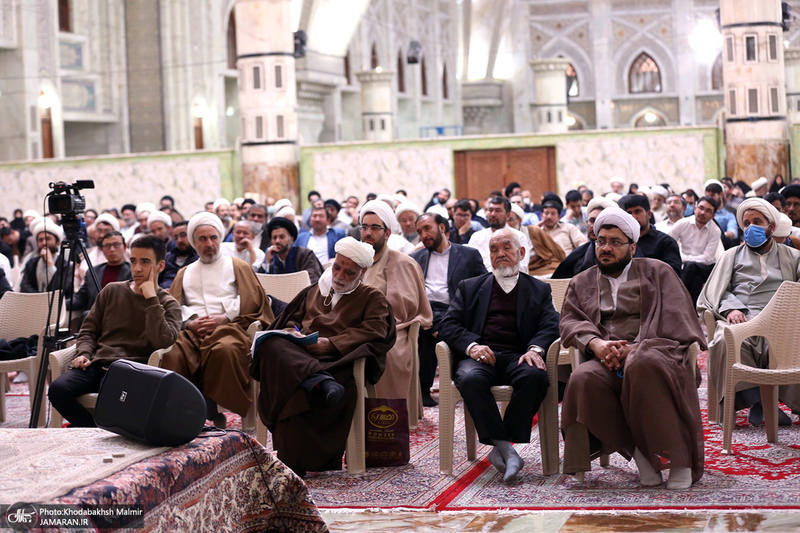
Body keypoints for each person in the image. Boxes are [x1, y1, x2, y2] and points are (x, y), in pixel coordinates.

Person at [560, 207, 706, 489]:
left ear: (632, 247)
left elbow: (680, 324)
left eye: (616, 242)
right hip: (605, 360)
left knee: (642, 364)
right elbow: (569, 321)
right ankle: (642, 458)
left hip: (657, 353)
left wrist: (637, 348)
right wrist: (597, 344)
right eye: (601, 241)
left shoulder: (658, 272)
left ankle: (678, 461)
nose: (606, 248)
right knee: (582, 378)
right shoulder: (582, 281)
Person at [250, 237, 396, 475]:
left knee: (293, 384)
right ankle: (317, 380)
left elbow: (375, 330)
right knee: (271, 344)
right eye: (337, 267)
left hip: (336, 361)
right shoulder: (316, 288)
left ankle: (315, 382)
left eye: (349, 273)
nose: (339, 276)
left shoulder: (372, 297)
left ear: (363, 272)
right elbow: (291, 320)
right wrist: (293, 333)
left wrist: (331, 344)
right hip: (300, 355)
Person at [438, 228, 559, 482]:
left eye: (506, 247)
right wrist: (472, 347)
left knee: (536, 378)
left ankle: (500, 447)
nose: (500, 254)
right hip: (480, 357)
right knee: (469, 378)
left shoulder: (539, 289)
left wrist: (534, 349)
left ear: (521, 252)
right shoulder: (470, 287)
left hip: (519, 356)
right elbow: (448, 325)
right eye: (494, 249)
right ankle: (507, 449)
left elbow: (551, 324)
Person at [48, 235, 182, 427]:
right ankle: (93, 430)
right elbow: (88, 330)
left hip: (131, 370)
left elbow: (162, 341)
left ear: (160, 266)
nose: (137, 268)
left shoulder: (169, 304)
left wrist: (152, 300)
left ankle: (100, 432)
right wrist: (84, 354)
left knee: (111, 399)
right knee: (57, 389)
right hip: (96, 364)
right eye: (133, 260)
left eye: (145, 262)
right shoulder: (112, 290)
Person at [161, 212, 273, 427]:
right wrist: (190, 322)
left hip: (229, 328)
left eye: (213, 238)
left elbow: (252, 299)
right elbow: (172, 307)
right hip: (192, 333)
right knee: (173, 353)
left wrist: (225, 317)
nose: (209, 244)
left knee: (226, 350)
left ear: (220, 239)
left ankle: (221, 408)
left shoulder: (237, 265)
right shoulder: (185, 272)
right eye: (202, 239)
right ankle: (185, 415)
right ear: (194, 243)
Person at [697, 198, 800, 426]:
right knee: (725, 339)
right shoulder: (731, 255)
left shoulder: (792, 256)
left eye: (757, 221)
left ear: (770, 227)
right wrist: (732, 307)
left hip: (782, 319)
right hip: (740, 316)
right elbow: (713, 291)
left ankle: (767, 404)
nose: (750, 227)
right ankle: (759, 402)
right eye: (746, 223)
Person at [410, 213, 487, 406]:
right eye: (419, 231)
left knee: (433, 328)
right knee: (425, 328)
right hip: (426, 311)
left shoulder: (469, 255)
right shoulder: (415, 258)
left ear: (442, 228)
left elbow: (485, 287)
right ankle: (423, 388)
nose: (423, 235)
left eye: (427, 228)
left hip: (456, 311)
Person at [359, 200, 433, 400]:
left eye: (375, 228)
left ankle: (386, 419)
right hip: (352, 327)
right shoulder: (354, 261)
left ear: (388, 233)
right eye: (364, 227)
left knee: (386, 353)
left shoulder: (402, 263)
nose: (368, 233)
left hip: (390, 330)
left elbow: (403, 309)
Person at [67, 231, 132, 326]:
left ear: (125, 248)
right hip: (94, 319)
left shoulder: (132, 272)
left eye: (116, 245)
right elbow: (80, 299)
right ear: (102, 249)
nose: (112, 249)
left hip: (121, 319)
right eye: (107, 246)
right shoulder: (93, 271)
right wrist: (59, 303)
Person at [668, 196, 722, 304]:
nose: (702, 212)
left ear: (713, 215)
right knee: (696, 280)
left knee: (691, 266)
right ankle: (693, 310)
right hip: (686, 268)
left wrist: (683, 259)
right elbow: (668, 244)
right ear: (695, 208)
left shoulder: (715, 230)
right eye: (701, 208)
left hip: (706, 268)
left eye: (708, 211)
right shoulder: (682, 224)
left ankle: (678, 300)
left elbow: (707, 258)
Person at [618, 194, 682, 277]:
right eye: (629, 213)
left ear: (649, 214)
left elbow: (672, 274)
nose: (633, 216)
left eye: (637, 211)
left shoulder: (665, 242)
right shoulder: (619, 242)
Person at [468, 196, 534, 274]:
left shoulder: (519, 236)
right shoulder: (477, 237)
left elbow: (522, 268)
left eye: (498, 211)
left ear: (508, 215)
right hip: (483, 283)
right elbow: (470, 265)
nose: (493, 214)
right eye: (490, 210)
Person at [507, 203, 565, 277]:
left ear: (520, 220)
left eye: (510, 220)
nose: (507, 224)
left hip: (543, 267)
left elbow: (557, 251)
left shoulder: (533, 230)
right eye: (505, 221)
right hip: (521, 271)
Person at [260, 217, 323, 284]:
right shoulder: (271, 259)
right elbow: (261, 285)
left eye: (282, 237)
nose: (277, 241)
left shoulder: (305, 255)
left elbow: (313, 282)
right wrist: (266, 262)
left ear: (291, 240)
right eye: (274, 238)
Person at [20, 220, 73, 295]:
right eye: (40, 240)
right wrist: (40, 299)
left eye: (48, 239)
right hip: (34, 303)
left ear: (57, 243)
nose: (44, 243)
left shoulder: (65, 265)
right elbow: (25, 286)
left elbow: (60, 290)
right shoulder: (32, 263)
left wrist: (50, 264)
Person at [160, 221, 198, 289]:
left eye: (183, 235)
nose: (179, 240)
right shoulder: (167, 258)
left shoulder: (199, 259)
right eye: (176, 237)